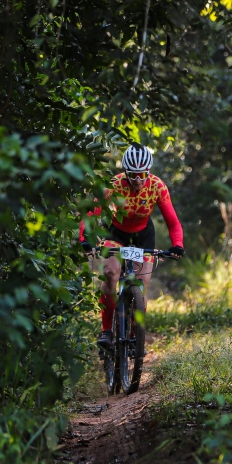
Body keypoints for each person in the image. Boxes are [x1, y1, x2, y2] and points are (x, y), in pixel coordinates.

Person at [80, 143, 184, 349]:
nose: (138, 180)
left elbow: (173, 222)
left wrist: (177, 245)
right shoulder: (114, 184)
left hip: (143, 236)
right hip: (115, 233)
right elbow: (91, 214)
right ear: (126, 173)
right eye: (133, 175)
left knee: (141, 285)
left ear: (149, 172)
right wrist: (86, 238)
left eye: (142, 175)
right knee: (110, 273)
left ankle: (137, 334)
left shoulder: (157, 186)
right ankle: (106, 330)